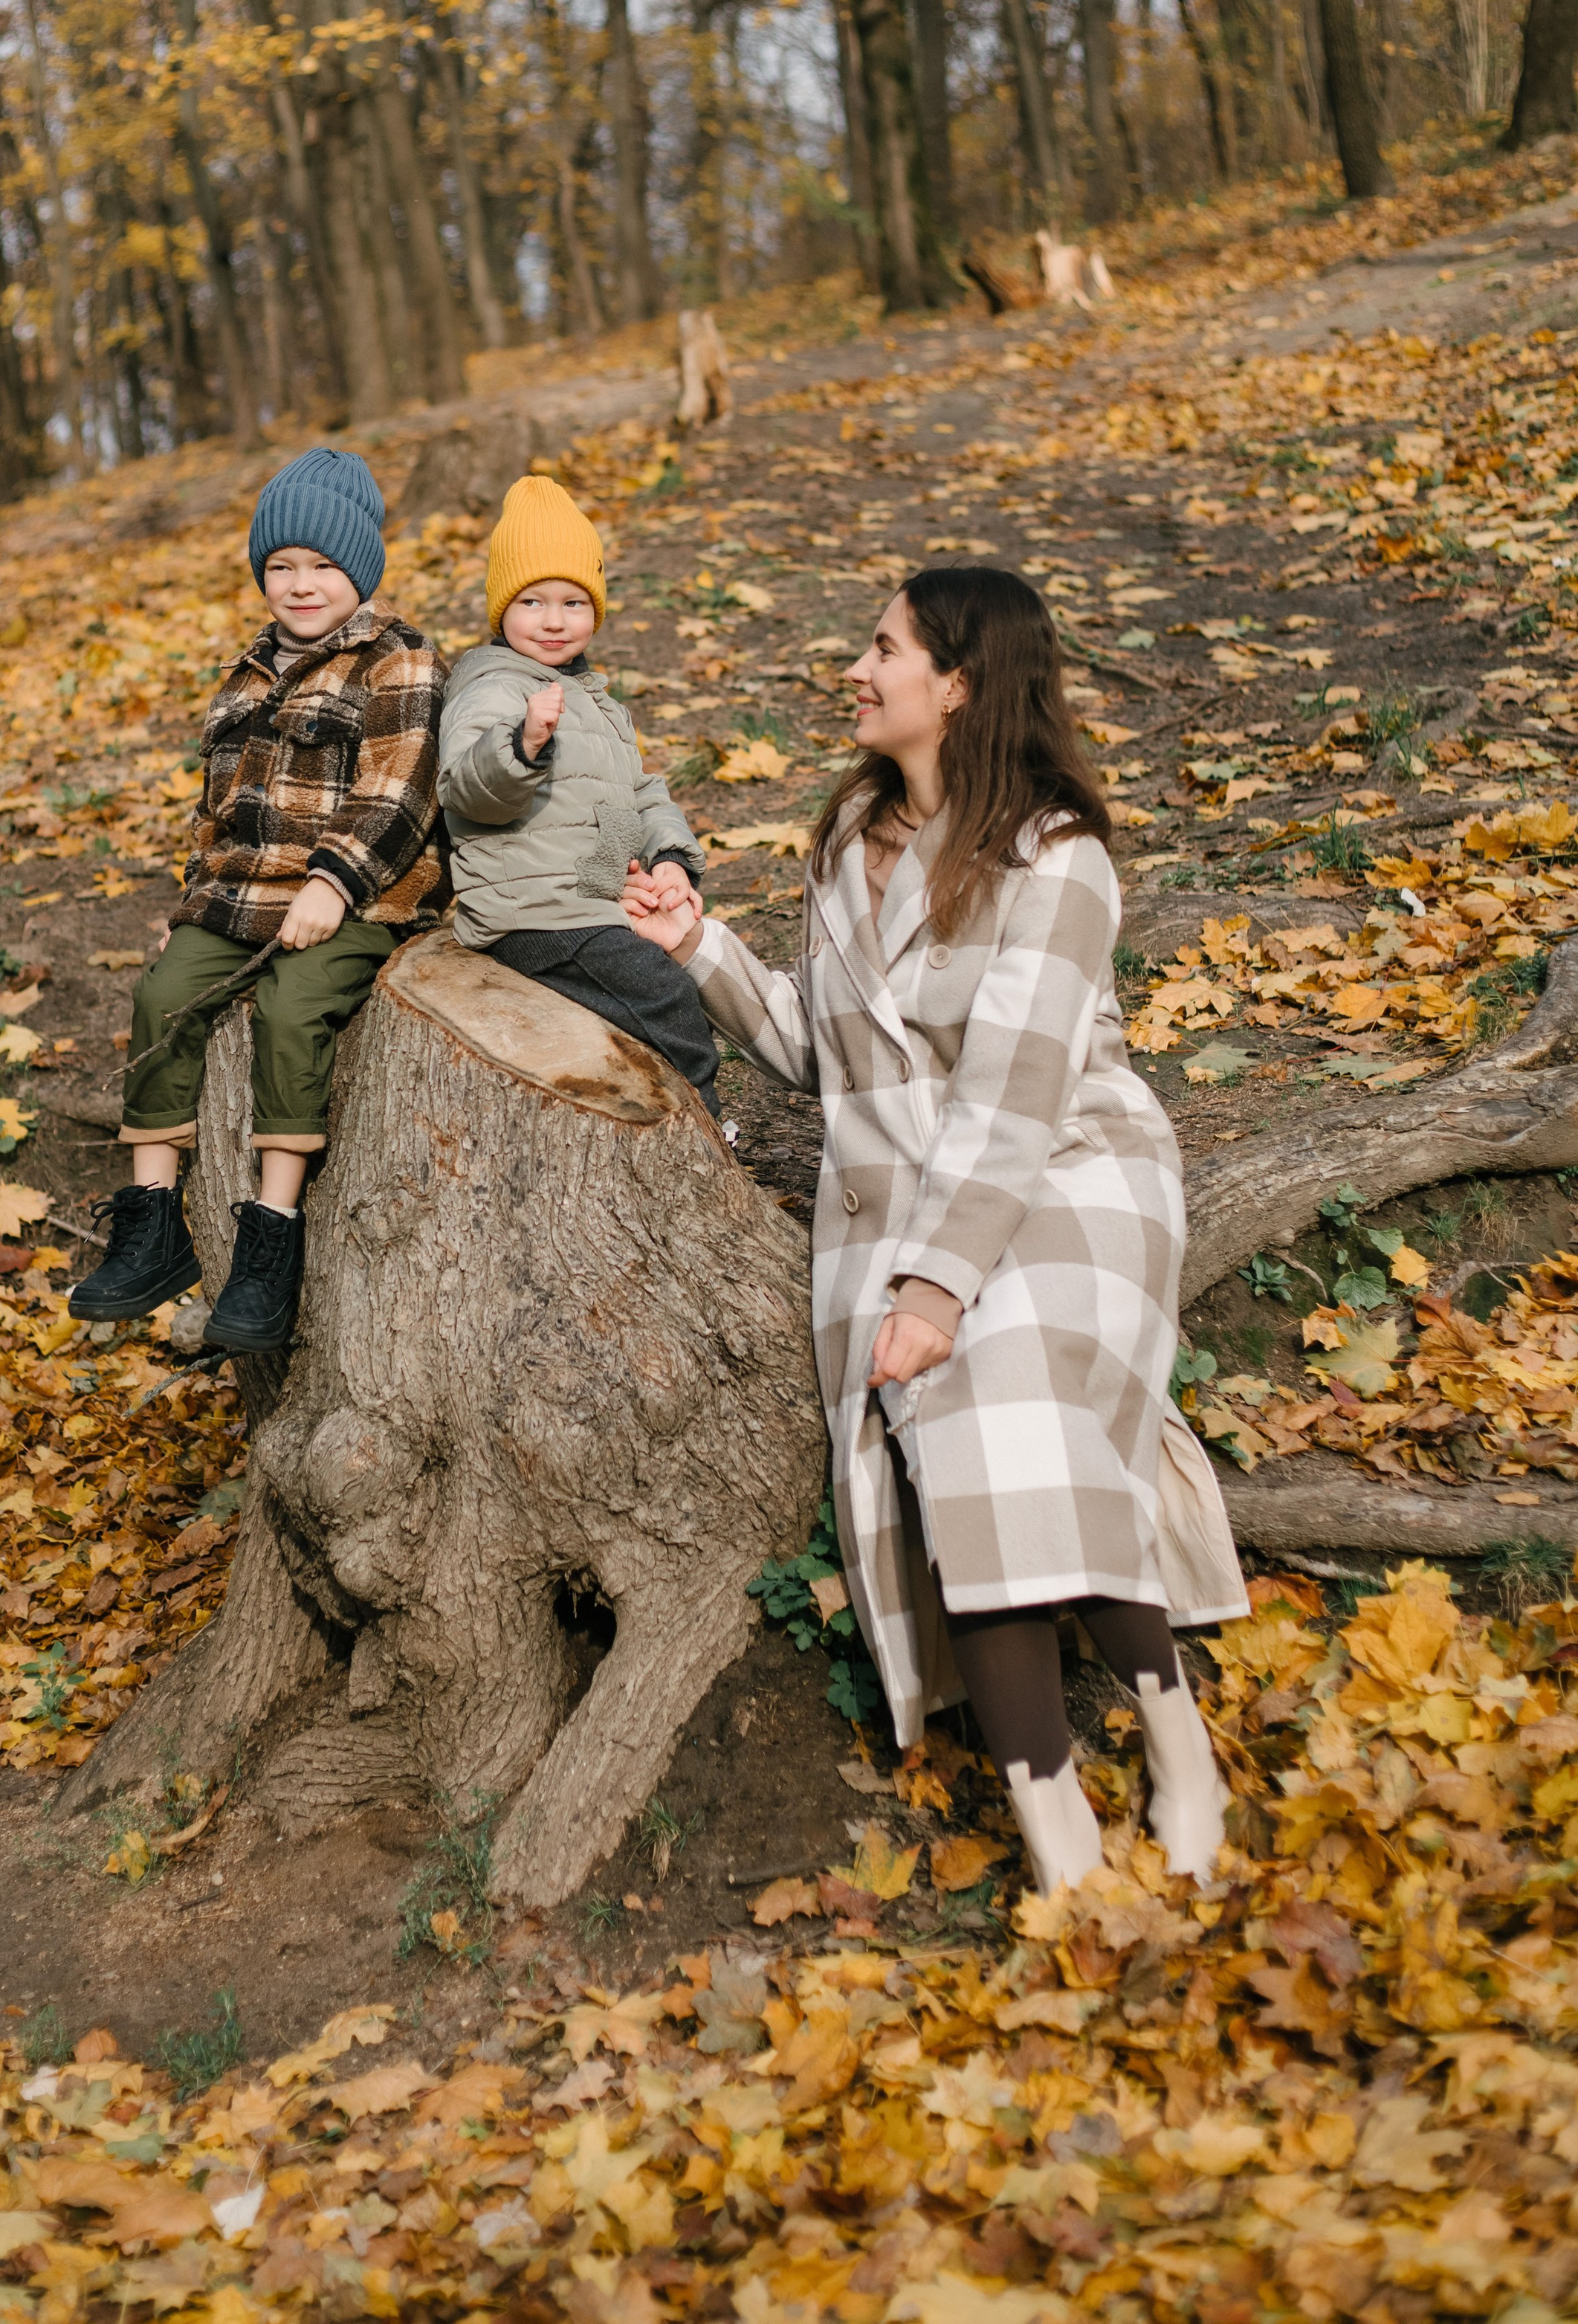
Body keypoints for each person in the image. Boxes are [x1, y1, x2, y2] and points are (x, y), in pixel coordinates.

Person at [624, 564, 1247, 1894]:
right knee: (977, 1457)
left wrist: (940, 1287)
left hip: (1072, 1177)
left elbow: (1018, 1094)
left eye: (882, 647)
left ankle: (1182, 1749)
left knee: (1006, 1404)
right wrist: (700, 951)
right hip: (902, 1200)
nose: (856, 668)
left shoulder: (1056, 857)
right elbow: (824, 1056)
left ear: (958, 684)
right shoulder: (850, 843)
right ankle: (1062, 1844)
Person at [71, 446, 447, 1350]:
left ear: (358, 570)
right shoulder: (242, 678)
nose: (302, 584)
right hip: (242, 896)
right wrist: (188, 916)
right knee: (162, 999)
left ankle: (269, 1238)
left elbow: (401, 793)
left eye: (323, 567)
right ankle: (152, 1222)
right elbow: (216, 819)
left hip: (360, 896)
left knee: (291, 1010)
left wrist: (334, 881)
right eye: (282, 566)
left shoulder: (398, 662)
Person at [439, 473, 721, 1114]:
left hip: (588, 898)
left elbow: (641, 793)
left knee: (677, 969)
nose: (554, 621)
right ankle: (707, 1131)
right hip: (531, 909)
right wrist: (521, 746)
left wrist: (669, 861)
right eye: (533, 602)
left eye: (573, 602)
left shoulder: (598, 702)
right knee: (663, 996)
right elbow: (465, 789)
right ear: (501, 609)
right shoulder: (495, 689)